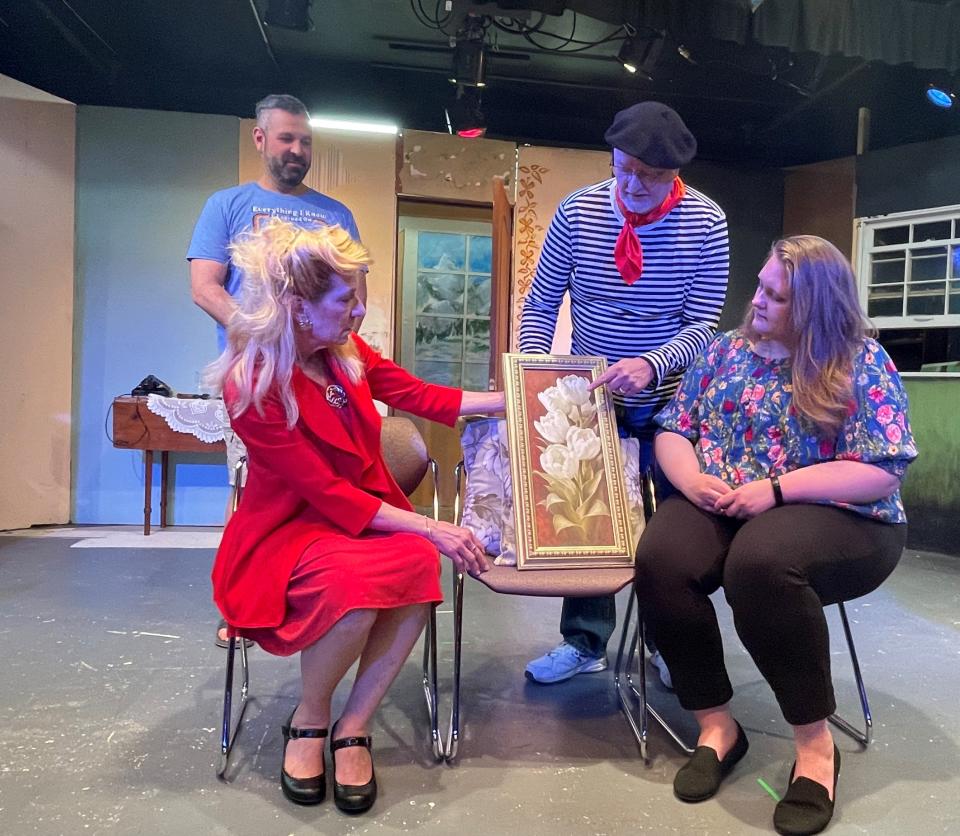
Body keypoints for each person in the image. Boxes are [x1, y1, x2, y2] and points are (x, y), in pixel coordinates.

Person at [207, 218, 503, 814]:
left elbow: (419, 395)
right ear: (297, 305)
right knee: (361, 590)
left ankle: (354, 725)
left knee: (419, 570)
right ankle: (311, 718)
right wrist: (430, 523)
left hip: (360, 515)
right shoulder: (252, 384)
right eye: (348, 299)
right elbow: (325, 494)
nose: (360, 313)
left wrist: (519, 397)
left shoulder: (344, 351)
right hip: (287, 531)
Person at [636, 235, 917, 835]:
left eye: (776, 295)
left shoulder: (858, 361)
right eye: (760, 285)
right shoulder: (723, 352)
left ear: (815, 305)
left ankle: (815, 749)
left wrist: (780, 488)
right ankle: (717, 725)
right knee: (661, 557)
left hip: (842, 513)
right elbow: (672, 429)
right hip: (726, 496)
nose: (757, 300)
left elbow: (880, 468)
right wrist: (692, 481)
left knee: (761, 565)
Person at [519, 100, 729, 685]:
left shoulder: (706, 223)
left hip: (667, 403)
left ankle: (666, 641)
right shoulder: (578, 210)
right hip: (591, 397)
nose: (632, 185)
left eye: (650, 175)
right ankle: (585, 643)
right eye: (623, 169)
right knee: (590, 524)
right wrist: (540, 373)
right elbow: (541, 305)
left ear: (673, 175)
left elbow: (702, 325)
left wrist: (650, 364)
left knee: (666, 532)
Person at [187, 93, 361, 647]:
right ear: (261, 140)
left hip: (321, 381)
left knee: (324, 490)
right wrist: (267, 333)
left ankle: (323, 592)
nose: (297, 150)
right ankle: (241, 606)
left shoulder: (336, 215)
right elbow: (204, 287)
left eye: (305, 141)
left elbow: (355, 299)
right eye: (286, 138)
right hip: (258, 381)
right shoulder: (227, 205)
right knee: (253, 494)